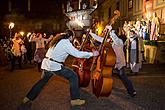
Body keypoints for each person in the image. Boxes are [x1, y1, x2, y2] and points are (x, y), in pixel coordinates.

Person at [21, 30, 99, 108]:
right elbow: (77, 54)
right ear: (71, 37)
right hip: (55, 66)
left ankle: (27, 98)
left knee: (41, 82)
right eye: (72, 37)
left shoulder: (57, 40)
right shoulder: (66, 42)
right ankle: (75, 100)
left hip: (47, 64)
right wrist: (92, 54)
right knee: (73, 76)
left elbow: (68, 50)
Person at [89, 25, 136, 97]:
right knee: (107, 75)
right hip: (111, 61)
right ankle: (106, 86)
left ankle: (132, 91)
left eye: (112, 35)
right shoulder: (110, 41)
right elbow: (100, 39)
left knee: (123, 76)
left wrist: (111, 31)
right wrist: (91, 34)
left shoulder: (120, 42)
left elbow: (116, 39)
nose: (110, 37)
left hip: (119, 62)